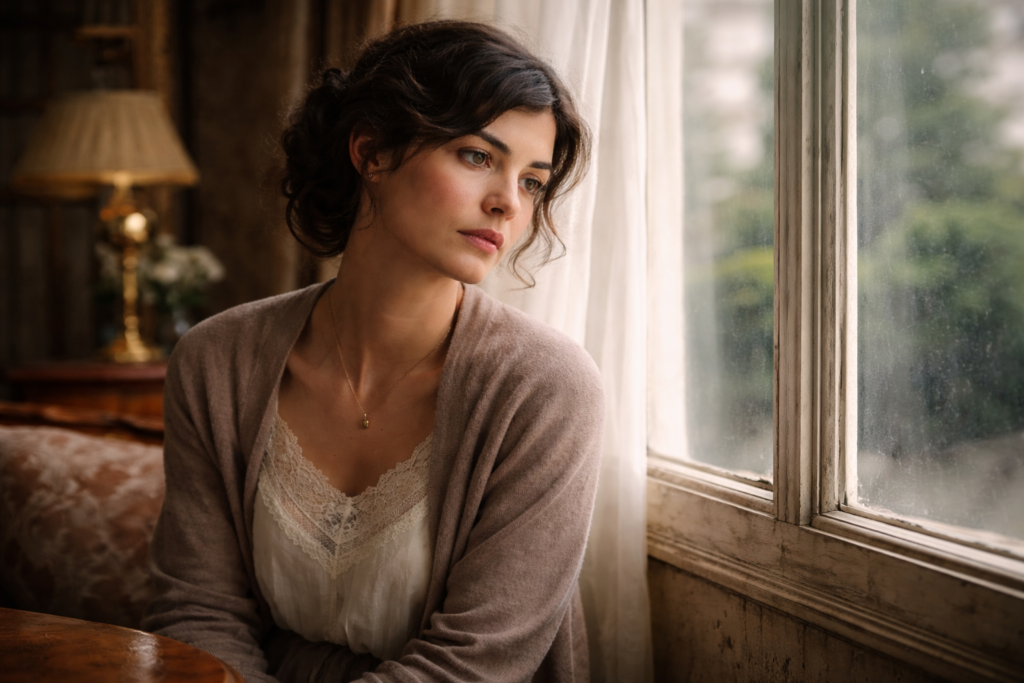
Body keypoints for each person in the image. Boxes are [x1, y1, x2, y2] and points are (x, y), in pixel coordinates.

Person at [142, 20, 604, 683]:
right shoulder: (216, 362)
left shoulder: (547, 387)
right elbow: (197, 610)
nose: (508, 202)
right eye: (478, 156)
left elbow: (478, 661)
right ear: (373, 152)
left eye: (532, 181)